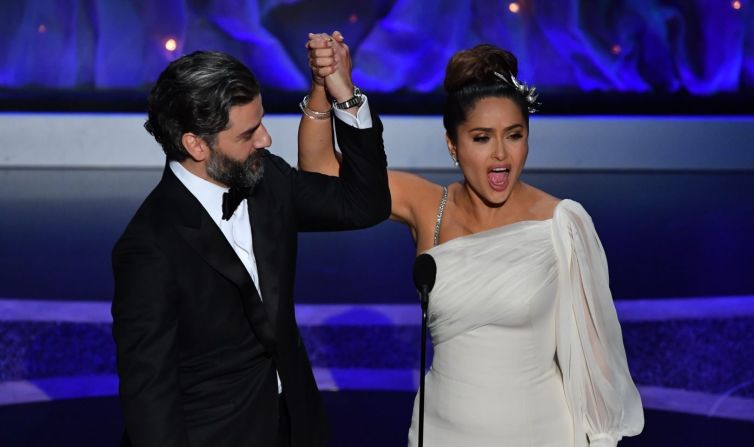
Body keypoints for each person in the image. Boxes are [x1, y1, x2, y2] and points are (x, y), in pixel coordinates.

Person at [301, 39, 644, 446]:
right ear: (453, 144)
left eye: (514, 135)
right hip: (442, 432)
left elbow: (596, 359)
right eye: (481, 138)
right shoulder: (428, 206)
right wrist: (328, 85)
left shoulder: (561, 221)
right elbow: (321, 174)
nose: (500, 154)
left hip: (542, 433)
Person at [111, 45, 390, 447]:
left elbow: (364, 206)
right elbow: (149, 394)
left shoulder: (268, 180)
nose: (266, 138)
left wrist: (344, 95)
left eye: (260, 122)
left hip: (295, 427)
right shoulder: (149, 247)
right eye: (247, 133)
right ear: (196, 145)